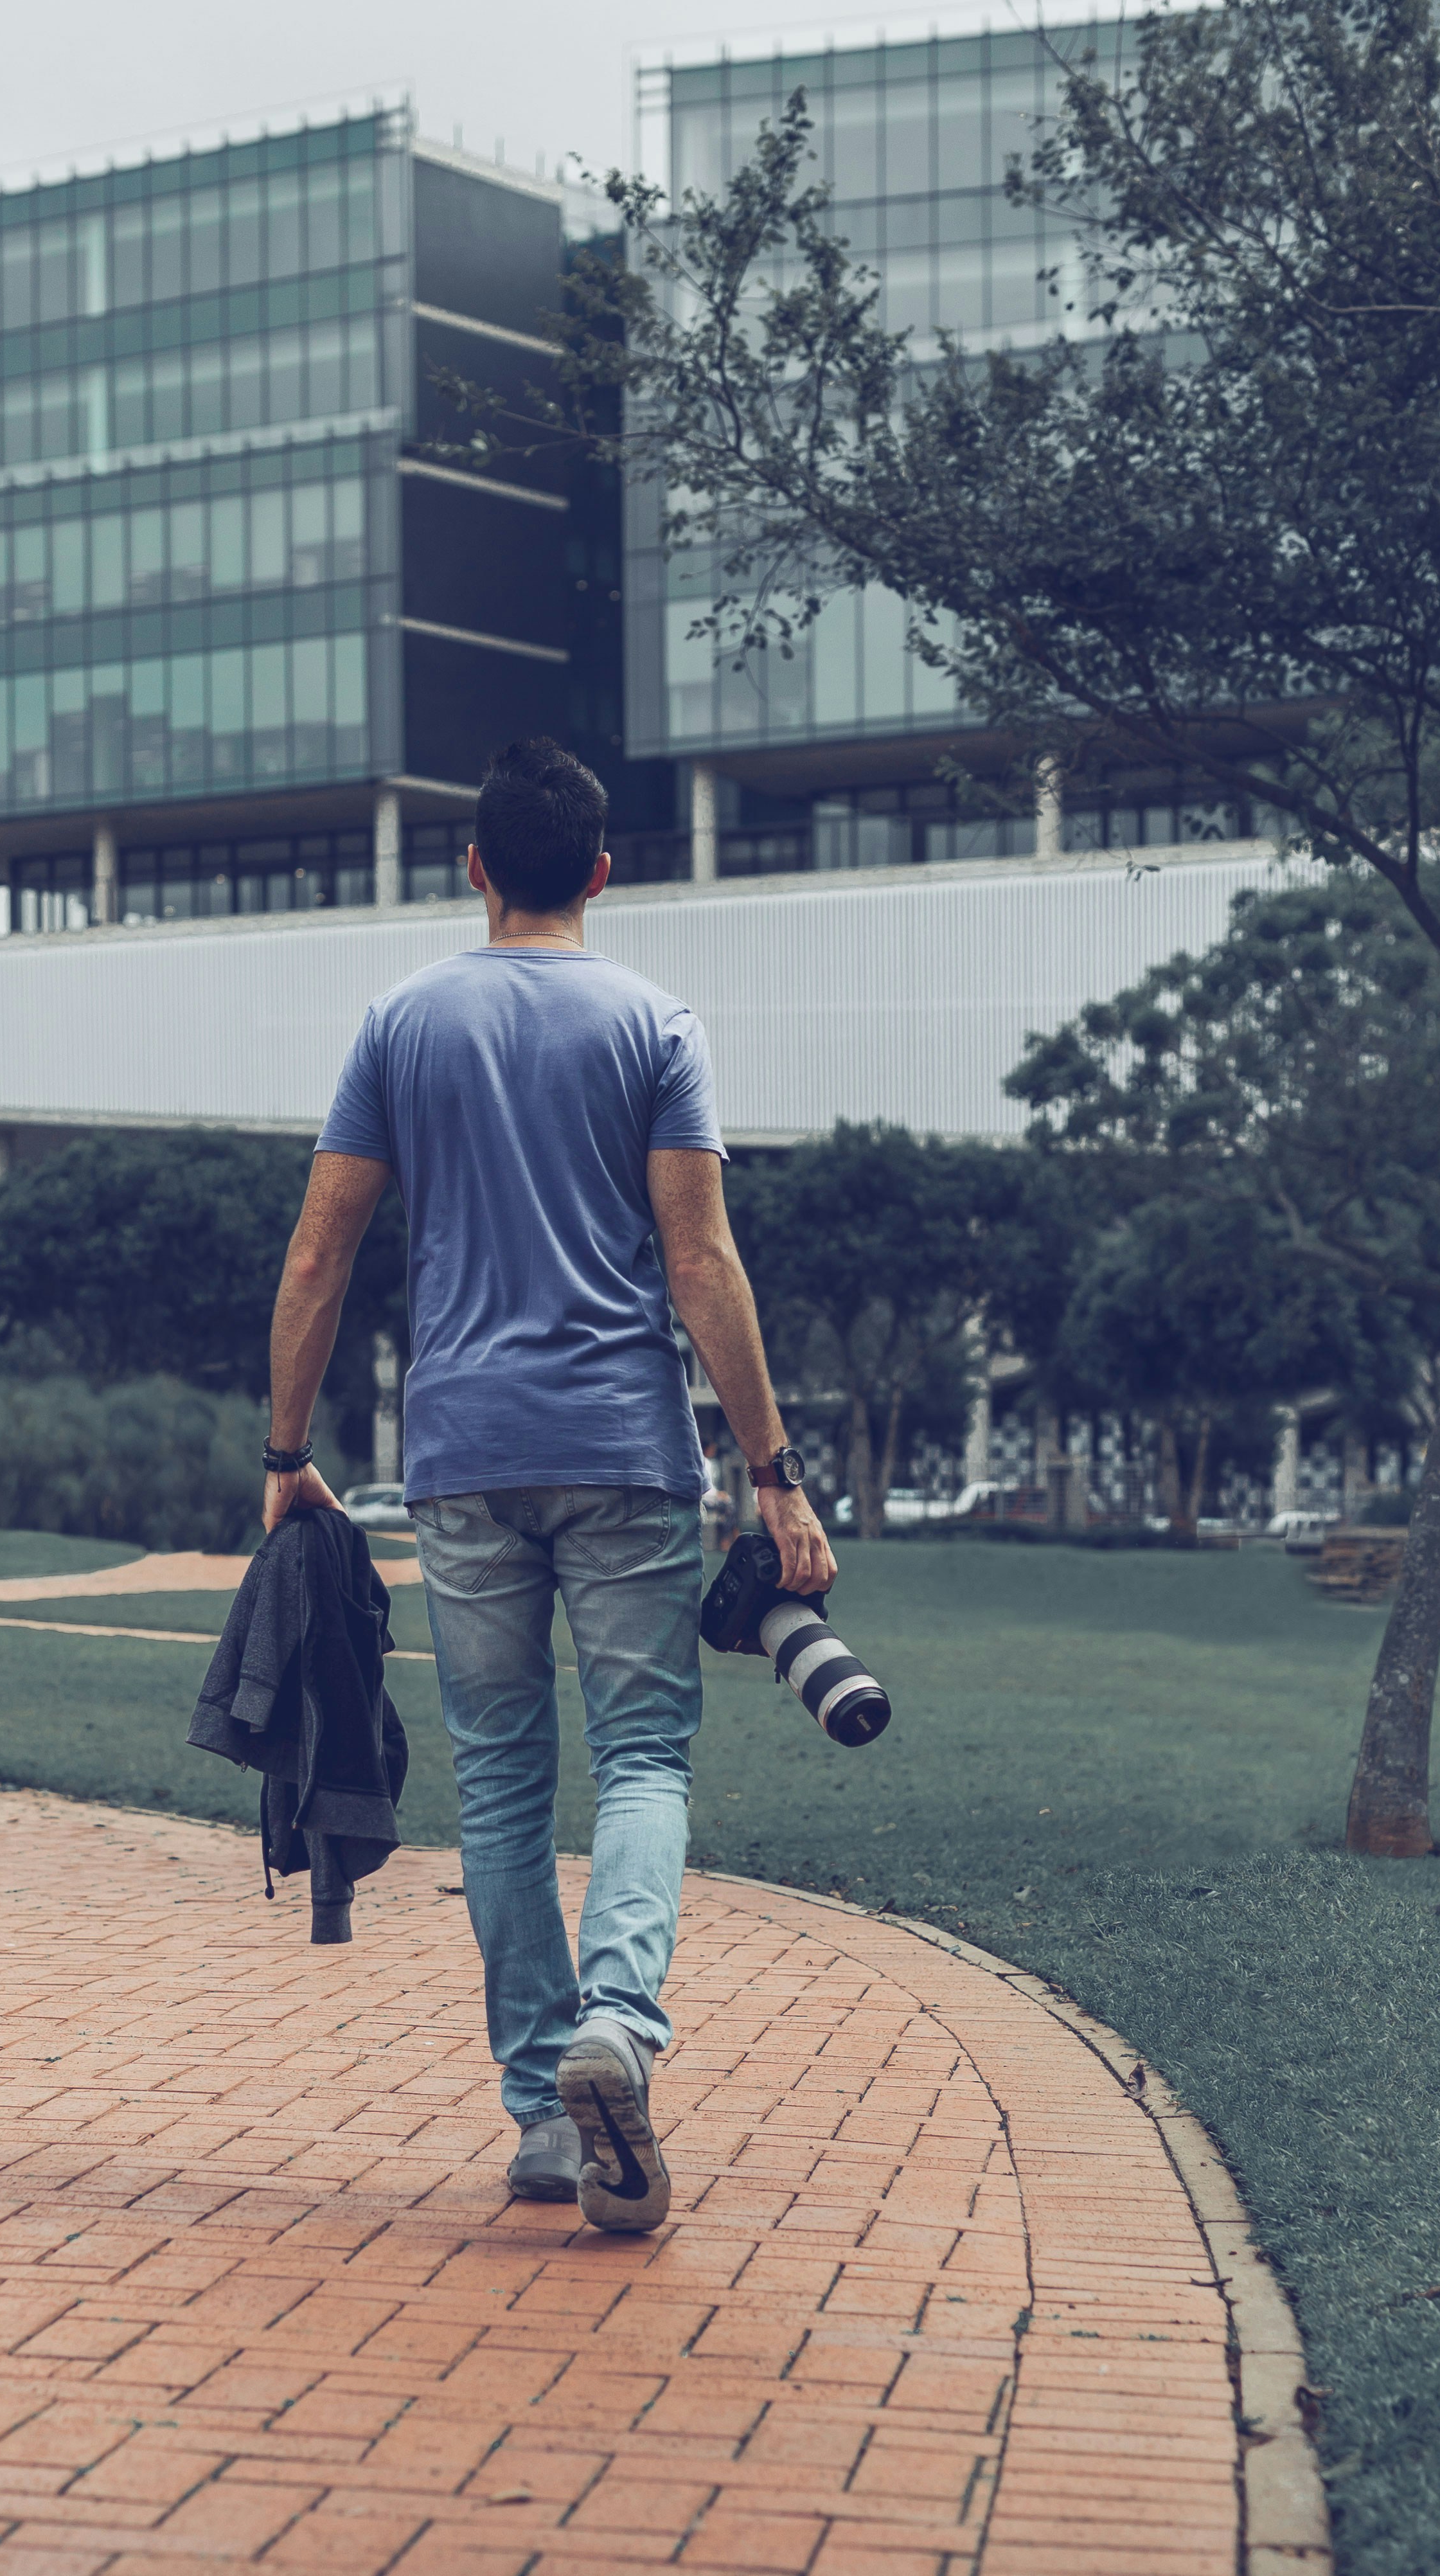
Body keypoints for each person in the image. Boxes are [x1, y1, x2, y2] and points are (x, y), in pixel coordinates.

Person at [258, 737, 835, 2233]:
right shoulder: (653, 1022)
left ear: (471, 870)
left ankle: (538, 2113)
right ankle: (619, 2030)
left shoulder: (400, 1020)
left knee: (503, 1777)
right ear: (598, 869)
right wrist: (774, 1474)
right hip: (625, 1448)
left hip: (459, 1454)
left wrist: (281, 1454)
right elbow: (701, 1262)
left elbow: (318, 1252)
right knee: (641, 1754)